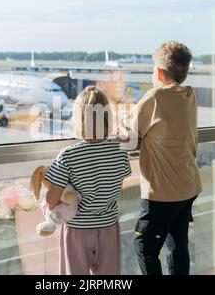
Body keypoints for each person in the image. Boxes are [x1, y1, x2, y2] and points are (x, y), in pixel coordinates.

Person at [117, 41, 202, 275]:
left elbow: (129, 133)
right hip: (187, 185)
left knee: (144, 245)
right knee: (178, 246)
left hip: (162, 193)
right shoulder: (189, 95)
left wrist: (120, 124)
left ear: (159, 72)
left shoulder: (154, 97)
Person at [43, 86, 132, 275]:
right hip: (108, 226)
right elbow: (117, 185)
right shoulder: (119, 150)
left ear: (78, 119)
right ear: (107, 117)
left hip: (78, 229)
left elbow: (52, 199)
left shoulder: (68, 155)